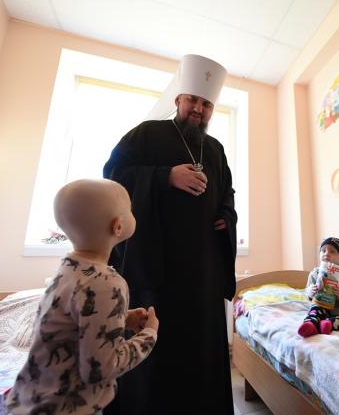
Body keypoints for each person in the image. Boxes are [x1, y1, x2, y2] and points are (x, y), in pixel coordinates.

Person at [102, 54, 237, 415]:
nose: (199, 109)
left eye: (206, 104)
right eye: (193, 100)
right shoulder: (146, 134)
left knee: (200, 347)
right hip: (156, 263)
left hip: (203, 269)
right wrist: (165, 176)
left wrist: (226, 215)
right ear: (178, 100)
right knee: (155, 349)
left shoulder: (215, 149)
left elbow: (227, 192)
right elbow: (113, 176)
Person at [6, 179, 159, 415]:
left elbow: (75, 324)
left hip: (31, 400)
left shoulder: (68, 269)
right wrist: (148, 335)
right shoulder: (107, 283)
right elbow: (100, 369)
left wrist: (122, 320)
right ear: (118, 226)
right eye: (130, 208)